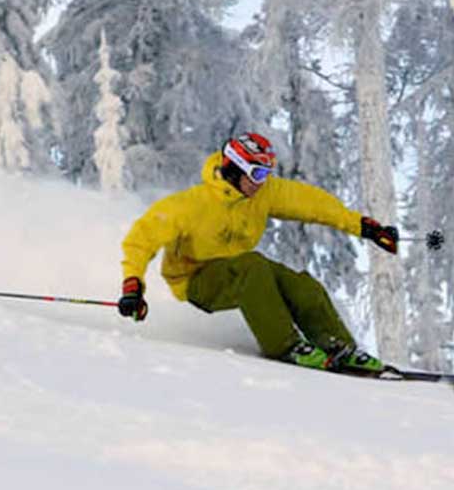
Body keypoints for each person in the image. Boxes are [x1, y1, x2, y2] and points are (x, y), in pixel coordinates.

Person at [117, 132, 400, 373]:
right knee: (253, 266)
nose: (262, 181)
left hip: (242, 270)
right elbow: (141, 239)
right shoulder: (190, 205)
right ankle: (285, 346)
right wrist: (133, 285)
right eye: (256, 173)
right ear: (235, 169)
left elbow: (312, 203)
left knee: (299, 284)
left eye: (266, 173)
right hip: (195, 280)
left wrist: (364, 227)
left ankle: (338, 346)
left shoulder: (261, 193)